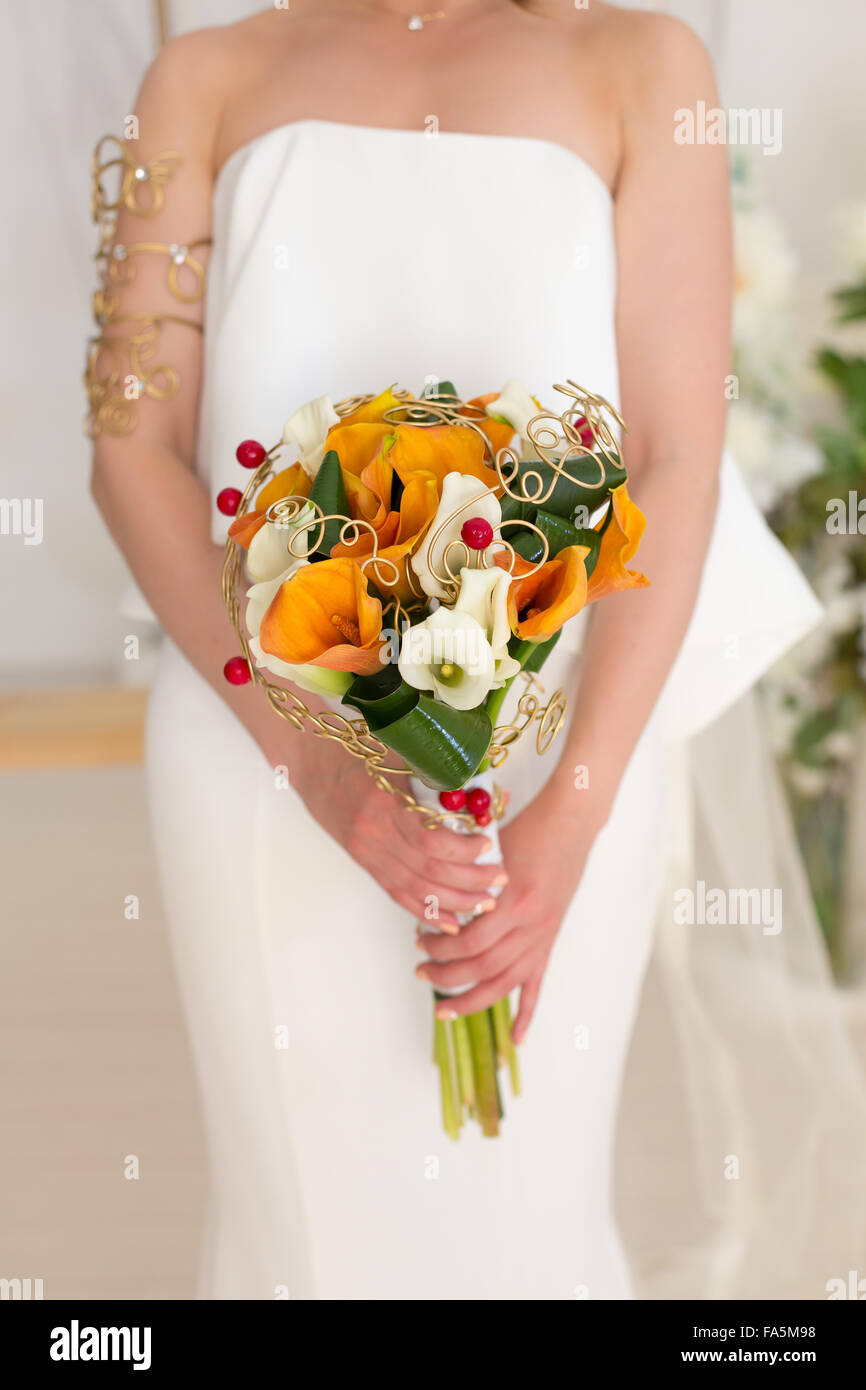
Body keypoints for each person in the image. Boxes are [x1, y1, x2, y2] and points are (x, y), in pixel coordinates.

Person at [88, 1, 822, 1299]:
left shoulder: (643, 66)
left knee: (527, 1212)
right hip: (258, 743)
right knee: (297, 1230)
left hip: (559, 749)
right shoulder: (200, 78)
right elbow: (133, 451)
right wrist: (315, 769)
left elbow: (672, 453)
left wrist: (572, 815)